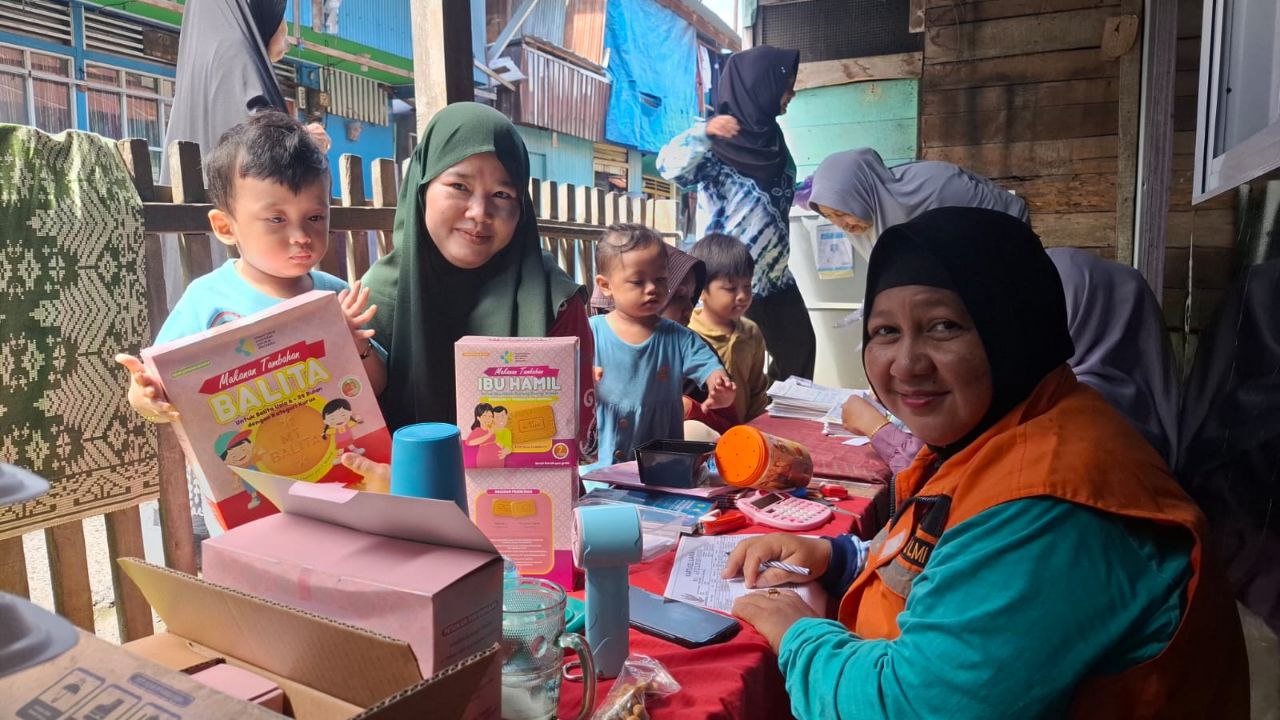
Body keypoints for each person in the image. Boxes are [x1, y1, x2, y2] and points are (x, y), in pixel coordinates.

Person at [726, 207, 1248, 719]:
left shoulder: (1051, 503)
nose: (907, 364)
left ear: (1012, 329)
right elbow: (950, 558)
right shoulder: (999, 434)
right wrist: (838, 558)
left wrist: (796, 631)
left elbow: (909, 708)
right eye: (885, 331)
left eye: (944, 326)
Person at [116, 111, 383, 534]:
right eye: (276, 219)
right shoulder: (206, 300)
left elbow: (377, 387)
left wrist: (354, 346)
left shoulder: (332, 294)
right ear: (225, 226)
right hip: (252, 497)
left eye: (314, 217)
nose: (300, 235)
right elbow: (159, 388)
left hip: (334, 482)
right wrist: (144, 394)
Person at [358, 102, 594, 438]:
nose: (480, 212)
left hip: (529, 490)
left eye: (502, 193)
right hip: (400, 488)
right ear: (422, 189)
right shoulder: (372, 301)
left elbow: (574, 435)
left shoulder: (554, 300)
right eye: (459, 187)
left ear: (521, 207)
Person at [844, 247, 1182, 472]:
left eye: (1042, 317)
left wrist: (877, 428)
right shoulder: (1129, 401)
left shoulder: (1082, 431)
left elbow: (953, 476)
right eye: (887, 330)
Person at [658, 45, 817, 382]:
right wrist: (705, 132)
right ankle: (730, 427)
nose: (791, 92)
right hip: (728, 276)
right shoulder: (717, 144)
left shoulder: (772, 138)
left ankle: (779, 420)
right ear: (761, 83)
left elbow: (779, 192)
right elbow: (667, 167)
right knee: (726, 364)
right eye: (786, 83)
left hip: (775, 277)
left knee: (799, 350)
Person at [589, 224, 735, 465]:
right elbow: (561, 378)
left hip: (662, 459)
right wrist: (582, 378)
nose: (652, 289)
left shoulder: (679, 338)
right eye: (637, 282)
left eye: (660, 279)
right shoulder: (590, 331)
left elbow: (708, 366)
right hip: (602, 459)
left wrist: (718, 385)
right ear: (606, 285)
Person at [808, 147, 1027, 258]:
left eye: (841, 212)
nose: (841, 224)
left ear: (859, 194)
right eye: (829, 216)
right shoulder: (868, 216)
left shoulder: (935, 188)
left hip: (1007, 241)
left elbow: (995, 226)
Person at [688, 233, 769, 424]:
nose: (742, 295)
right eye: (731, 289)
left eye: (747, 286)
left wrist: (756, 427)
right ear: (701, 291)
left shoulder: (751, 332)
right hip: (701, 434)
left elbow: (757, 390)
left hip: (743, 433)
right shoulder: (688, 333)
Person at [589, 244, 707, 327]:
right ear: (606, 287)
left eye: (691, 298)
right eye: (679, 297)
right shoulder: (589, 343)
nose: (689, 310)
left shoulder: (691, 349)